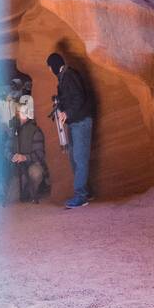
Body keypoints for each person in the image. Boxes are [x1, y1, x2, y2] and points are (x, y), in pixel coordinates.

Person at [47, 52, 93, 209]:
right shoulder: (62, 78)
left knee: (79, 159)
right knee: (74, 159)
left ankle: (81, 196)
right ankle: (85, 192)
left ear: (54, 65)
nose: (49, 70)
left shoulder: (69, 75)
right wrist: (59, 108)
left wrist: (67, 113)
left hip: (81, 122)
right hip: (74, 123)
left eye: (49, 67)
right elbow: (66, 99)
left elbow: (78, 97)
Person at [8, 94, 48, 203]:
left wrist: (24, 157)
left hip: (31, 165)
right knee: (13, 198)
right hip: (17, 169)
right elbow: (6, 149)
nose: (20, 116)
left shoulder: (35, 131)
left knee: (35, 172)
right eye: (19, 113)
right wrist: (12, 156)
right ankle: (25, 191)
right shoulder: (13, 131)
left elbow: (40, 154)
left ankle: (32, 192)